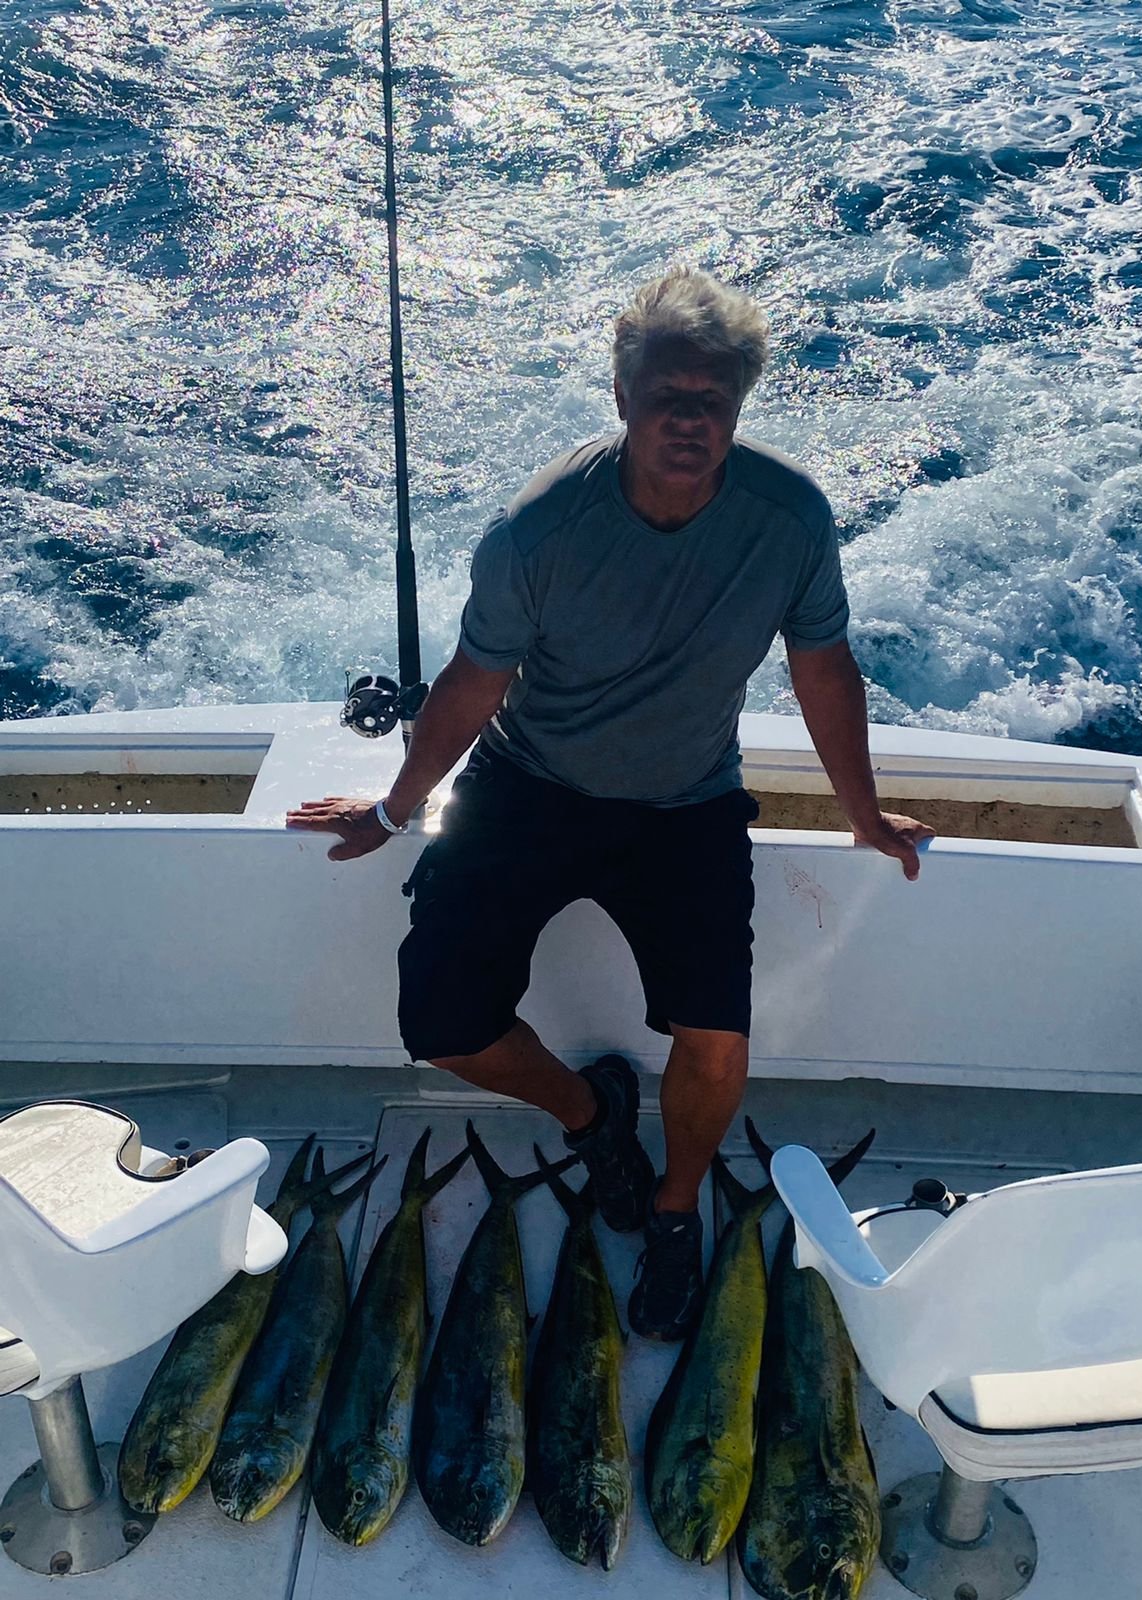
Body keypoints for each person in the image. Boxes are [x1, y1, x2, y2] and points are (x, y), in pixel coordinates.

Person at [286, 266, 933, 1341]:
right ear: (623, 395)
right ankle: (592, 1117)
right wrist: (396, 809)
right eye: (667, 396)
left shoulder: (790, 519)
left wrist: (863, 814)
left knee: (718, 1036)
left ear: (740, 406)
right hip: (530, 785)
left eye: (712, 400)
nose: (689, 421)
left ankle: (675, 1210)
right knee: (439, 1020)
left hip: (688, 803)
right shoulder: (538, 530)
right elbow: (471, 686)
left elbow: (824, 668)